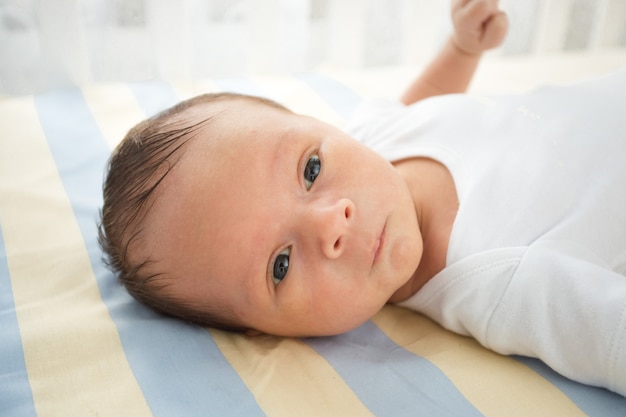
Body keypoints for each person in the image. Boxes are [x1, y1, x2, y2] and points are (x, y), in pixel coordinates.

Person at [99, 0, 626, 396]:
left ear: (319, 123)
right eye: (280, 266)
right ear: (263, 333)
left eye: (310, 169)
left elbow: (425, 106)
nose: (331, 224)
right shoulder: (506, 287)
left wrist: (462, 49)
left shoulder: (375, 136)